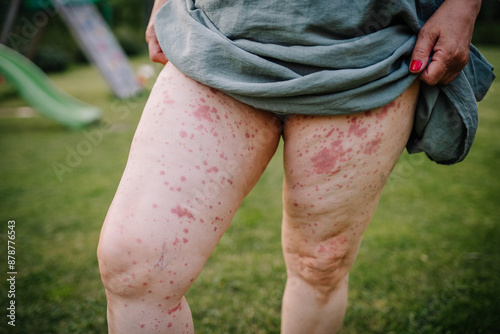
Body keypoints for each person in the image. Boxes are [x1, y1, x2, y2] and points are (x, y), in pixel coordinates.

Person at [97, 0, 494, 332]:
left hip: (362, 51)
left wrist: (463, 6)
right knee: (136, 263)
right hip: (216, 35)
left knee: (320, 263)